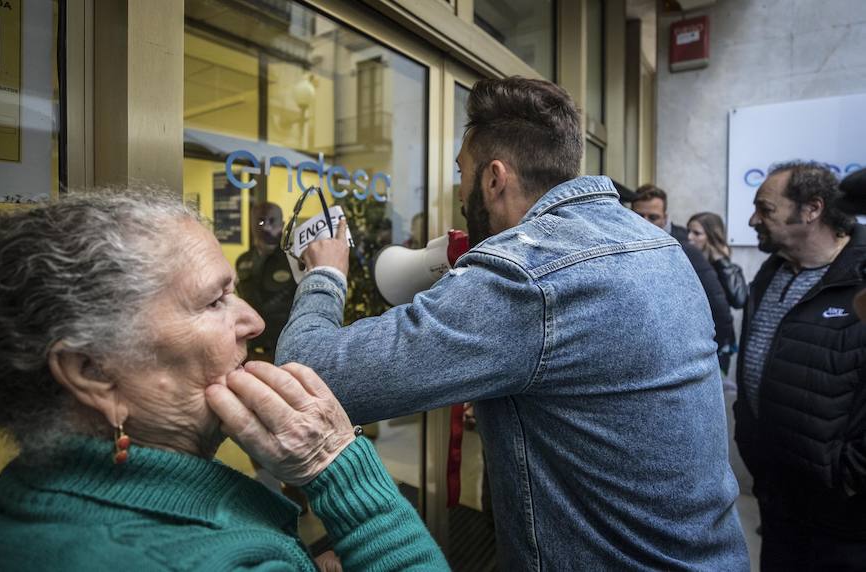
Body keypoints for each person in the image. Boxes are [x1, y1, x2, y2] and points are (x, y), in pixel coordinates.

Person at [276, 77, 748, 570]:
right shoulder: (655, 244)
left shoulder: (527, 278)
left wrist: (325, 273)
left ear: (494, 178)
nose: (460, 191)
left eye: (461, 171)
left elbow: (308, 371)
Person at [0, 193, 448, 571]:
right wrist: (336, 466)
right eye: (213, 302)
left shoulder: (18, 502)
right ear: (92, 372)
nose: (254, 323)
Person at [735, 161, 866, 571]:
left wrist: (849, 478)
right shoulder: (770, 274)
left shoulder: (861, 279)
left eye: (766, 209)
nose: (754, 219)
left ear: (812, 209)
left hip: (844, 523)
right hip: (778, 501)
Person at [631, 187, 736, 374]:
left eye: (653, 217)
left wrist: (710, 353)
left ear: (665, 217)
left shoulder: (684, 247)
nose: (644, 222)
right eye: (638, 215)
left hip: (688, 358)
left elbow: (718, 305)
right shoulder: (625, 242)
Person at [236, 201, 297, 362]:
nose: (265, 227)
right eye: (260, 221)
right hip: (248, 349)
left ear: (282, 225)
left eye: (272, 221)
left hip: (282, 349)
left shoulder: (293, 262)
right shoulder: (243, 260)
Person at [687, 212, 748, 308]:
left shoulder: (726, 268)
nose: (689, 237)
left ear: (712, 237)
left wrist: (721, 260)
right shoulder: (686, 263)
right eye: (688, 231)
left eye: (697, 233)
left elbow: (739, 300)